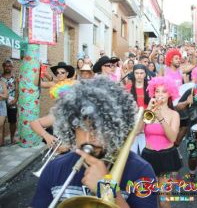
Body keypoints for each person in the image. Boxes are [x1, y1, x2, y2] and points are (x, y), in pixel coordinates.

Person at [31, 77, 157, 208]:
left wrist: (107, 190)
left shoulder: (141, 171)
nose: (90, 137)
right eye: (82, 127)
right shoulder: (54, 168)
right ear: (72, 127)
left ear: (115, 129)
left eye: (99, 128)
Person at [141, 76, 181, 208]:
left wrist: (161, 118)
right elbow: (136, 131)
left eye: (163, 91)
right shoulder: (147, 112)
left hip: (167, 158)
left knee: (164, 201)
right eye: (157, 91)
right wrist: (147, 109)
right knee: (146, 199)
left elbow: (172, 138)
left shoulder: (174, 114)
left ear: (170, 93)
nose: (160, 94)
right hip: (148, 157)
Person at [127, 64, 150, 155]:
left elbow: (152, 108)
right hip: (132, 125)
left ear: (145, 74)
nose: (139, 75)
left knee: (146, 154)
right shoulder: (128, 88)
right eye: (136, 73)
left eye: (141, 73)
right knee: (131, 154)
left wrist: (143, 124)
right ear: (133, 74)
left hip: (146, 124)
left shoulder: (149, 88)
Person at [1, 58, 19, 144]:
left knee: (13, 121)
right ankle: (2, 140)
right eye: (6, 66)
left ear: (12, 67)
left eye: (9, 66)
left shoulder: (15, 77)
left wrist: (15, 99)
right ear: (3, 67)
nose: (7, 67)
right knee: (2, 122)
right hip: (1, 102)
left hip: (12, 102)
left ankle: (12, 138)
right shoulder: (0, 77)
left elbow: (17, 89)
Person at [0, 78, 8, 146]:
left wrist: (1, 96)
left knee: (0, 125)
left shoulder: (2, 83)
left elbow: (6, 96)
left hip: (1, 107)